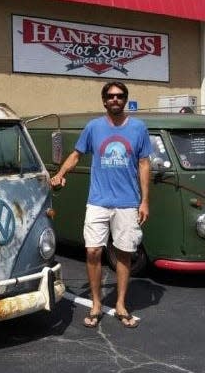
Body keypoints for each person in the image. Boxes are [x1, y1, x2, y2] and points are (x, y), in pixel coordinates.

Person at [51, 81, 151, 329]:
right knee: (93, 251)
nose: (115, 99)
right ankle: (96, 304)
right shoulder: (94, 127)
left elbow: (144, 164)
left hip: (128, 203)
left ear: (125, 100)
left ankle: (120, 304)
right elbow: (76, 155)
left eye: (119, 96)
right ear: (104, 100)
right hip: (98, 201)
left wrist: (145, 201)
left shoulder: (138, 128)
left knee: (124, 254)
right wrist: (61, 173)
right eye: (110, 96)